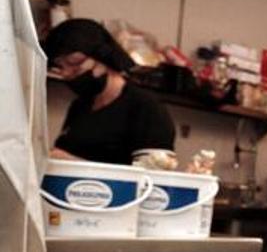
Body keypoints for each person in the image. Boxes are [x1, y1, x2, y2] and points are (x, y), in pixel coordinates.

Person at [44, 19, 175, 165]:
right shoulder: (80, 106)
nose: (67, 73)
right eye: (60, 66)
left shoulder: (145, 107)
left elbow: (154, 173)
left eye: (75, 62)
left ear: (103, 56)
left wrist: (74, 163)